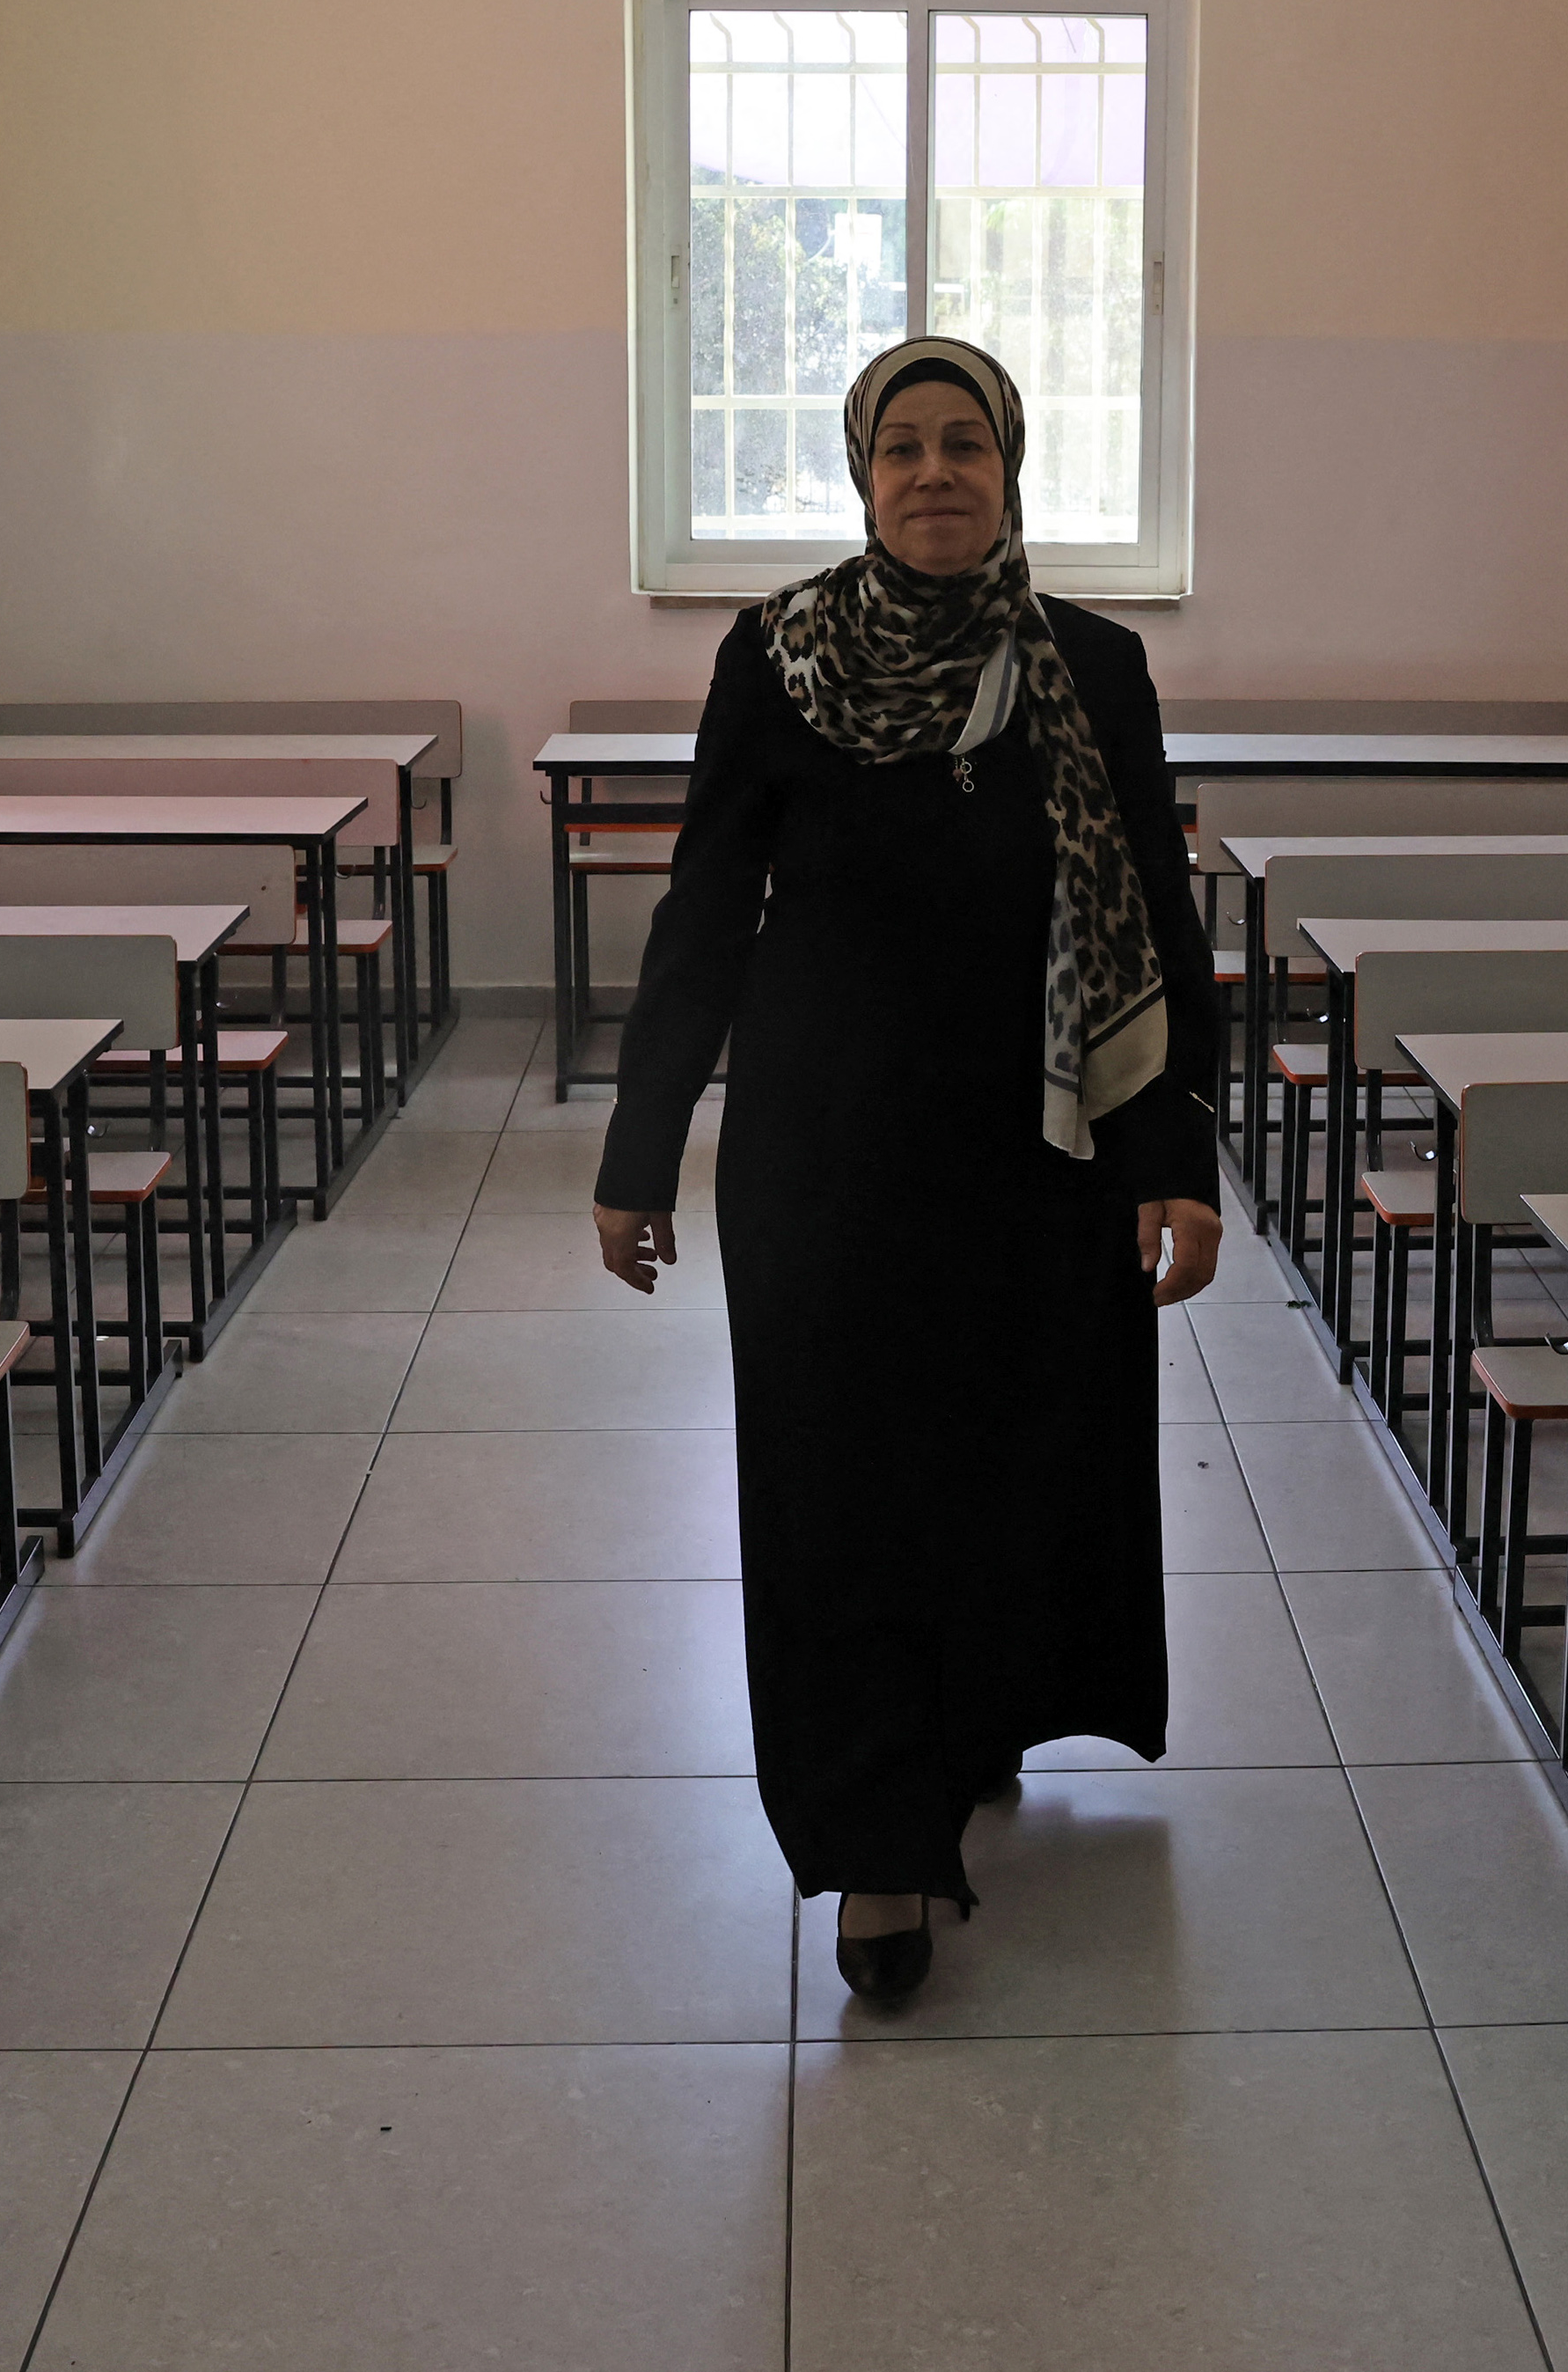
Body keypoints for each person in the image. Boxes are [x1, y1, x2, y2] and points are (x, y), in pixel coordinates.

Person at [591, 335, 1227, 2006]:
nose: (934, 472)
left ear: (1011, 471)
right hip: (826, 1154)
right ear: (859, 477)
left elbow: (1152, 921)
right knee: (839, 1483)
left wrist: (1177, 1158)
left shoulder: (1092, 665)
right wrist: (638, 1147)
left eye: (965, 445)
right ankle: (876, 1841)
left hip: (1039, 1155)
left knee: (1005, 1458)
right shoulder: (776, 657)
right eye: (902, 448)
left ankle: (967, 1723)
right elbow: (706, 908)